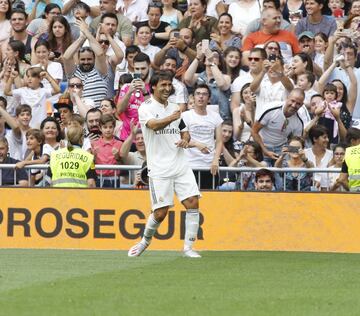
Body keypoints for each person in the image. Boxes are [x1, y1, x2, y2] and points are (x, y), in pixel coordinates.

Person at [128, 71, 201, 258]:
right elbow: (153, 125)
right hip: (159, 168)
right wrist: (173, 117)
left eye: (170, 85)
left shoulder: (175, 107)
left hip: (180, 163)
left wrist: (185, 139)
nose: (168, 89)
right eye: (164, 85)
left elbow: (183, 130)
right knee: (160, 213)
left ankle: (188, 248)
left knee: (192, 202)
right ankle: (145, 240)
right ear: (153, 86)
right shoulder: (146, 108)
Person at [182, 83, 223, 189]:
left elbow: (219, 141)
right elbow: (180, 140)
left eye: (204, 94)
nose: (201, 96)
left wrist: (215, 160)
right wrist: (196, 144)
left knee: (210, 200)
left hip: (209, 165)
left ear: (209, 98)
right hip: (190, 165)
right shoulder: (185, 116)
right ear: (193, 97)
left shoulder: (215, 116)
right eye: (198, 94)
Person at [252, 88, 305, 165]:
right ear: (287, 98)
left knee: (280, 175)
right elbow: (254, 131)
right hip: (262, 145)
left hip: (281, 149)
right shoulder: (271, 110)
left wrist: (284, 152)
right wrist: (264, 150)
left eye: (298, 103)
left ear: (302, 105)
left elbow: (297, 144)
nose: (294, 105)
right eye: (292, 101)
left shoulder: (299, 121)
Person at [91, 114, 122, 188]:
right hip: (98, 178)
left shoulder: (119, 144)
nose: (108, 130)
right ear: (100, 128)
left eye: (110, 127)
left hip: (115, 178)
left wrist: (117, 157)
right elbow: (92, 165)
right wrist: (94, 156)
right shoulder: (94, 144)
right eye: (105, 127)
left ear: (114, 128)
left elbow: (121, 163)